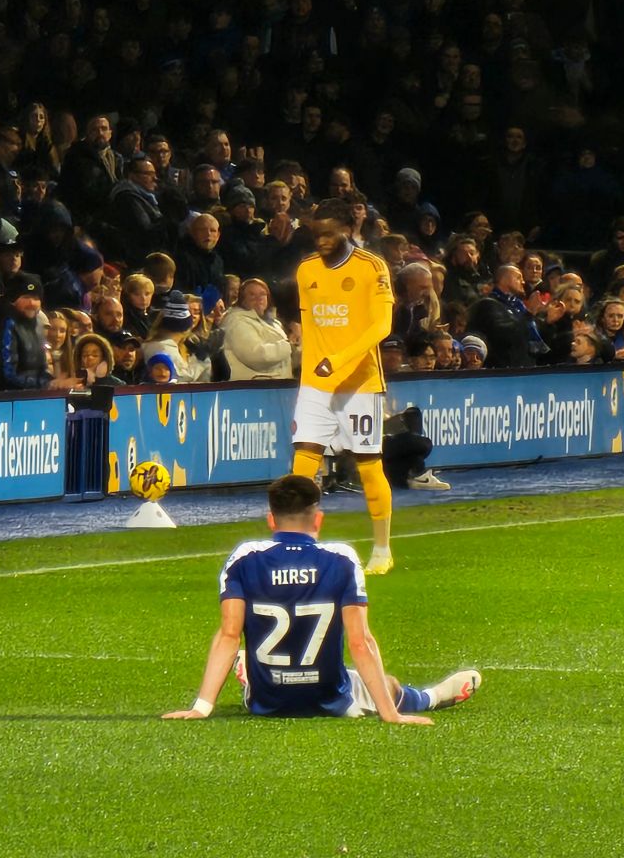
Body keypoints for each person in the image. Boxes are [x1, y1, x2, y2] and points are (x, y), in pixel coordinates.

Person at [162, 475, 480, 723]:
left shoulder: (244, 557)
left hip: (267, 703)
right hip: (330, 698)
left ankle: (252, 673)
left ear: (271, 520)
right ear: (318, 519)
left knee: (260, 663)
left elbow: (229, 634)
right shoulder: (341, 558)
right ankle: (430, 697)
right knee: (389, 684)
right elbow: (360, 642)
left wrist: (202, 707)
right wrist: (390, 714)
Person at [291, 198, 396, 576]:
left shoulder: (372, 267)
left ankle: (382, 549)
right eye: (316, 233)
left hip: (359, 384)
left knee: (368, 467)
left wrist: (338, 359)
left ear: (349, 230)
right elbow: (312, 327)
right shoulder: (306, 270)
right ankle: (297, 546)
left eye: (329, 233)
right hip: (316, 385)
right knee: (302, 468)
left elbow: (381, 326)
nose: (321, 240)